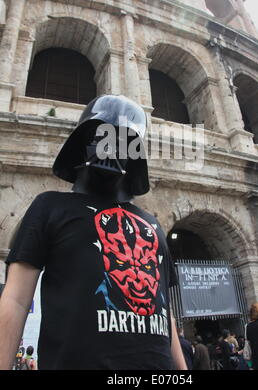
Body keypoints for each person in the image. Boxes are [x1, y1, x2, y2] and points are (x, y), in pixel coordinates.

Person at [0, 95, 187, 371]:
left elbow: (163, 310)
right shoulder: (49, 207)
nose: (110, 147)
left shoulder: (153, 224)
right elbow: (16, 299)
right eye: (101, 135)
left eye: (122, 140)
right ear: (82, 143)